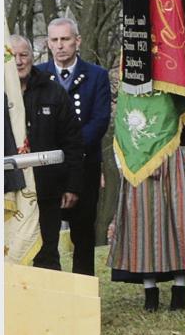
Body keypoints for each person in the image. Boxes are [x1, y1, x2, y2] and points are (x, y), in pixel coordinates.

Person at [36, 17, 111, 276]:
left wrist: (72, 151)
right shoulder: (37, 76)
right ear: (48, 43)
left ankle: (84, 290)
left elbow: (100, 120)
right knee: (46, 234)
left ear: (77, 41)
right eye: (55, 40)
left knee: (83, 233)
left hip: (84, 165)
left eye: (65, 39)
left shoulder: (97, 75)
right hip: (47, 169)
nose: (60, 46)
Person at [108, 121, 185, 311]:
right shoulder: (130, 92)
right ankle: (149, 291)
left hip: (176, 150)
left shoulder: (178, 90)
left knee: (180, 221)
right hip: (141, 155)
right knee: (143, 222)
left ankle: (179, 288)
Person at [10, 34, 85, 271]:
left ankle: (52, 307)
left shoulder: (53, 92)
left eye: (24, 55)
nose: (19, 61)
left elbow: (72, 142)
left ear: (34, 57)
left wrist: (72, 185)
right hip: (8, 192)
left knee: (47, 252)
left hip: (47, 190)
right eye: (13, 57)